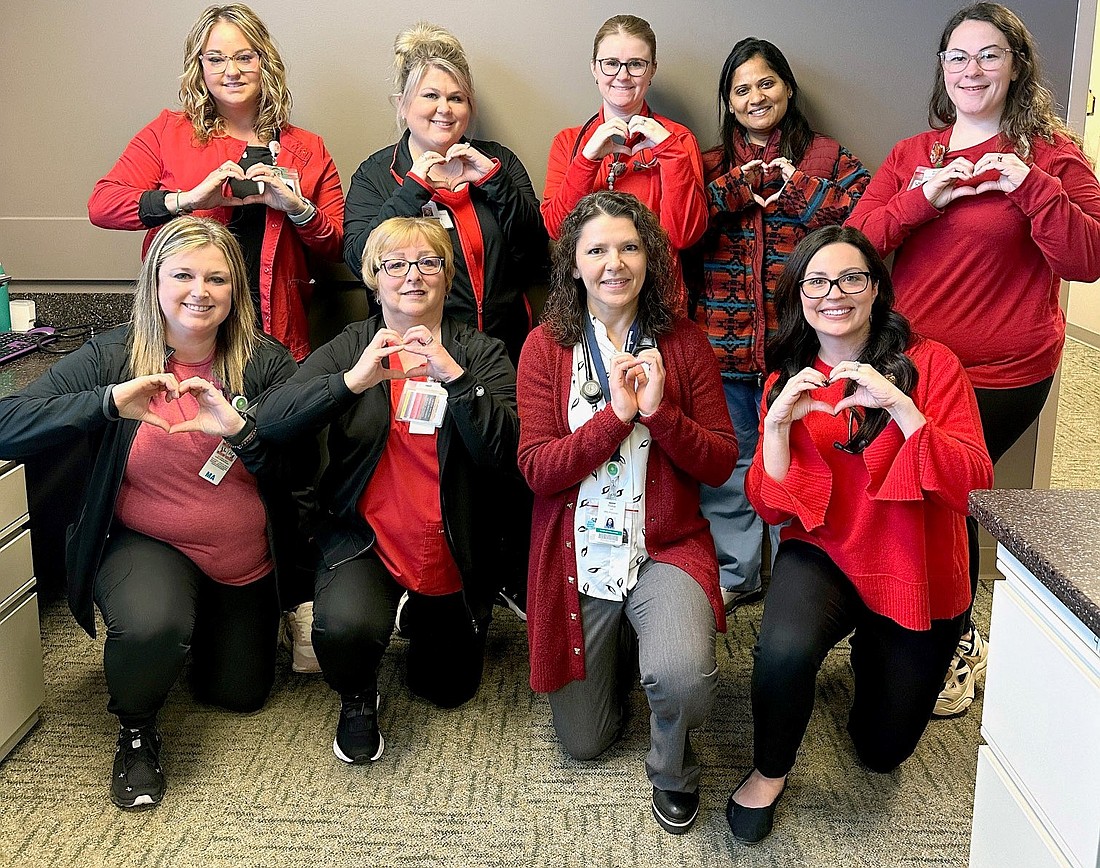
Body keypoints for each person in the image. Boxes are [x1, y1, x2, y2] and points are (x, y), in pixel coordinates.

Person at [846, 0, 1100, 716]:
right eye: (958, 55)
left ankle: (956, 636)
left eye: (989, 54)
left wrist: (1030, 187)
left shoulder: (1052, 154)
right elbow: (856, 246)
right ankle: (905, 624)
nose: (971, 69)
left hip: (1003, 376)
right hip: (912, 368)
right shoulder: (913, 156)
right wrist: (921, 199)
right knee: (911, 495)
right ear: (942, 69)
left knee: (947, 493)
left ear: (1016, 66)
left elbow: (1088, 257)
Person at [0, 216, 302, 810]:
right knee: (154, 624)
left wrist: (244, 433)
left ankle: (210, 625)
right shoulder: (113, 355)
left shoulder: (266, 364)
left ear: (236, 290)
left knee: (239, 694)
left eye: (217, 278)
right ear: (154, 281)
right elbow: (6, 425)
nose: (200, 291)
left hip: (241, 558)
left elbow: (304, 475)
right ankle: (136, 729)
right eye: (183, 274)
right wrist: (107, 403)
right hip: (146, 540)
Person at [728, 225, 993, 845]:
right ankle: (770, 771)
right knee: (782, 654)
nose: (834, 294)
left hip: (915, 565)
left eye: (852, 277)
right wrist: (776, 430)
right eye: (817, 281)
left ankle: (881, 654)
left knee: (880, 752)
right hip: (828, 552)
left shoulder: (932, 364)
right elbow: (772, 509)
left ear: (877, 288)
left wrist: (903, 408)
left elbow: (975, 487)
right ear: (798, 295)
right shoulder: (789, 378)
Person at [256, 216, 519, 765]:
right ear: (373, 279)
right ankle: (357, 697)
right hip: (365, 540)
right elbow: (271, 421)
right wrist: (351, 382)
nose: (412, 276)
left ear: (449, 279)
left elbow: (508, 456)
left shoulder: (481, 352)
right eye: (394, 264)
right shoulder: (353, 345)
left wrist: (458, 382)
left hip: (452, 544)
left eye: (428, 263)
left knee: (448, 690)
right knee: (344, 629)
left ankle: (420, 613)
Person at [517, 191, 737, 835]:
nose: (614, 263)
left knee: (683, 678)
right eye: (597, 250)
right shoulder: (544, 348)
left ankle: (673, 765)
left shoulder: (684, 344)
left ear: (650, 259)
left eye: (629, 247)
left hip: (662, 548)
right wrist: (616, 418)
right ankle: (618, 663)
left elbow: (721, 462)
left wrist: (661, 414)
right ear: (574, 265)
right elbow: (537, 469)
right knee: (584, 742)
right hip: (577, 555)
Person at [342, 22, 545, 620]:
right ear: (402, 105)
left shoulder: (499, 163)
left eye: (456, 97)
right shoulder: (377, 174)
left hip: (502, 344)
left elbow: (539, 252)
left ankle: (504, 576)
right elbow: (362, 260)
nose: (444, 108)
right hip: (418, 349)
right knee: (441, 467)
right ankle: (431, 580)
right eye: (430, 96)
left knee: (503, 458)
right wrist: (415, 186)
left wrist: (494, 183)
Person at [690, 37, 869, 614]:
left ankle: (797, 576)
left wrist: (797, 188)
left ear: (788, 88)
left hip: (806, 347)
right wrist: (739, 187)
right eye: (741, 89)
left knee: (803, 456)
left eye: (765, 83)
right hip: (723, 346)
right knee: (735, 460)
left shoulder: (829, 159)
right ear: (729, 102)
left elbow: (868, 225)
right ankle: (736, 573)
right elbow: (681, 225)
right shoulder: (712, 164)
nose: (755, 96)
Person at [88, 2, 345, 362]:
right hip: (181, 336)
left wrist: (298, 209)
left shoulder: (306, 149)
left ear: (264, 62)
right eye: (216, 59)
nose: (232, 71)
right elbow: (102, 206)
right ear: (200, 67)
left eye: (244, 57)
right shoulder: (168, 132)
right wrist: (186, 199)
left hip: (274, 334)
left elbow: (338, 246)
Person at [541, 14, 707, 297]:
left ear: (652, 69)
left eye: (636, 64)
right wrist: (587, 160)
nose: (622, 75)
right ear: (594, 68)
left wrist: (669, 153)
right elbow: (558, 230)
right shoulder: (568, 142)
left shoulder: (679, 140)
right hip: (588, 303)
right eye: (610, 64)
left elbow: (683, 235)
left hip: (659, 302)